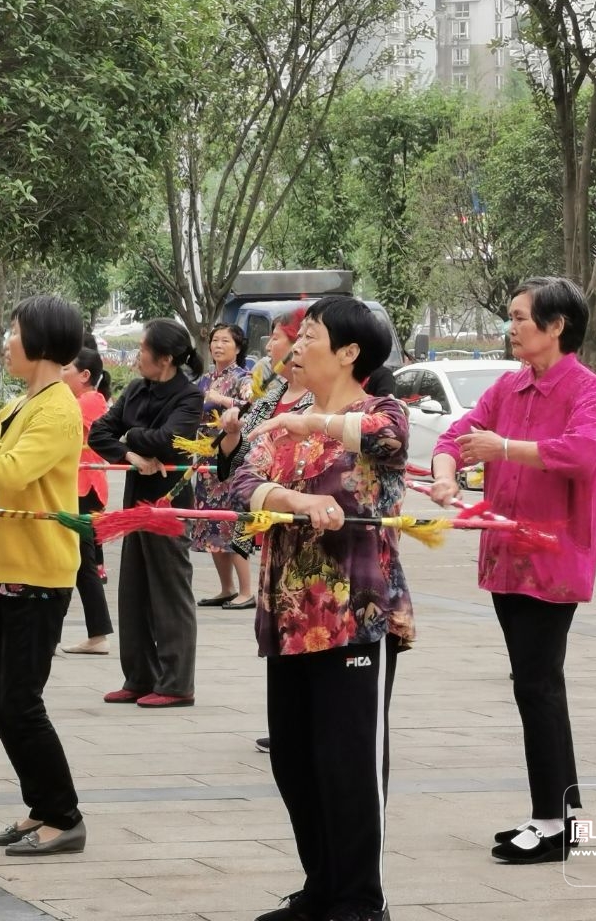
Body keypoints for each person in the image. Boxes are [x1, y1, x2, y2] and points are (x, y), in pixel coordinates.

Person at [229, 295, 413, 921]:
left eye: (309, 335)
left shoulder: (379, 410)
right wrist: (296, 500)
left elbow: (387, 442)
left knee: (349, 763)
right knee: (295, 760)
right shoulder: (287, 413)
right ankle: (322, 888)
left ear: (349, 352)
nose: (296, 345)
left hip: (355, 615)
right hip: (288, 616)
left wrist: (317, 427)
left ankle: (361, 903)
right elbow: (243, 481)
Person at [430, 276, 596, 865]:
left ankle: (549, 823)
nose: (512, 327)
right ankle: (562, 814)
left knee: (536, 684)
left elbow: (581, 454)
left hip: (552, 559)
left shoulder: (586, 390)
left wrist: (503, 448)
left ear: (557, 327)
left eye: (521, 318)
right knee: (537, 683)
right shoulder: (509, 387)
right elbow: (457, 435)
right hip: (506, 555)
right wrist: (446, 471)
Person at [0, 294, 87, 855]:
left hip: (41, 571)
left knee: (20, 699)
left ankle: (64, 816)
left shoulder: (59, 409)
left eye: (15, 331)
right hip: (4, 569)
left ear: (42, 343)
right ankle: (39, 807)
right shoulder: (15, 407)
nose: (6, 340)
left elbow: (12, 469)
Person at [88, 319, 203, 708]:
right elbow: (99, 433)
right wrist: (130, 453)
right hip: (137, 500)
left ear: (165, 358)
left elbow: (171, 442)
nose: (137, 356)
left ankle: (176, 683)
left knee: (170, 592)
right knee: (133, 590)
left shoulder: (189, 397)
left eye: (142, 350)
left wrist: (131, 436)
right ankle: (139, 676)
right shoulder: (137, 389)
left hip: (170, 502)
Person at [217, 309, 312, 753]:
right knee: (278, 629)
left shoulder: (323, 402)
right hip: (271, 522)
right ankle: (288, 725)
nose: (275, 345)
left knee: (308, 625)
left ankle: (312, 723)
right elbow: (237, 461)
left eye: (281, 337)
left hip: (307, 529)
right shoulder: (273, 390)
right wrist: (232, 434)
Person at [191, 324, 253, 608]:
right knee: (211, 520)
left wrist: (223, 400)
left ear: (238, 347)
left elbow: (253, 408)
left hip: (231, 460)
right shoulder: (204, 379)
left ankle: (246, 590)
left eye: (225, 341)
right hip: (205, 461)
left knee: (233, 520)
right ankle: (226, 588)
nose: (217, 346)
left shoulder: (244, 378)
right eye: (214, 341)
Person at [58, 345, 115, 655]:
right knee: (77, 561)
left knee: (80, 562)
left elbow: (57, 423)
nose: (61, 373)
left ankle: (96, 634)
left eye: (66, 368)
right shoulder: (80, 399)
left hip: (84, 490)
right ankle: (93, 633)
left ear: (85, 375)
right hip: (77, 488)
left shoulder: (89, 400)